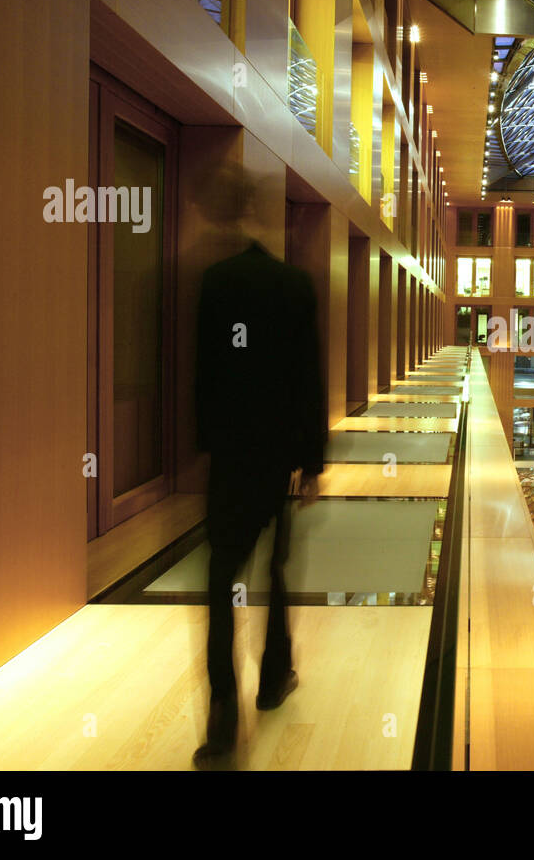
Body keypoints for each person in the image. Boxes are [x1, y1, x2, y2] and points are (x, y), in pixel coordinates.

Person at [192, 164, 324, 768]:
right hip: (278, 456)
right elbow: (307, 381)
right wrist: (311, 462)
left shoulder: (215, 284)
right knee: (276, 567)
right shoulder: (294, 288)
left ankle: (223, 717)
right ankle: (275, 677)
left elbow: (204, 376)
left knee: (223, 578)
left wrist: (207, 446)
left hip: (232, 456)